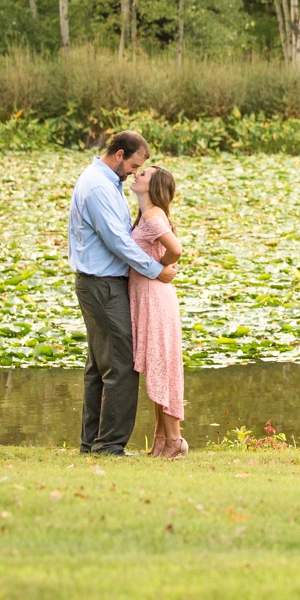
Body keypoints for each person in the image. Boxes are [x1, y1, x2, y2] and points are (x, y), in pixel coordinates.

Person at [67, 130, 176, 455]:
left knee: (100, 367)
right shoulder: (99, 186)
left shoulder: (108, 182)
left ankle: (93, 442)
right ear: (119, 155)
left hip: (103, 282)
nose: (135, 171)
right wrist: (157, 271)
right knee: (120, 365)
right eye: (135, 164)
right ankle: (109, 446)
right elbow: (118, 241)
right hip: (102, 284)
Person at [129, 165, 186, 458]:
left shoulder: (152, 216)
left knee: (161, 366)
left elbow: (176, 250)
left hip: (155, 297)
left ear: (154, 187)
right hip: (147, 297)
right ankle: (161, 440)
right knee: (157, 367)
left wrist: (159, 268)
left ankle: (175, 441)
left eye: (144, 174)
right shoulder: (145, 216)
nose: (137, 174)